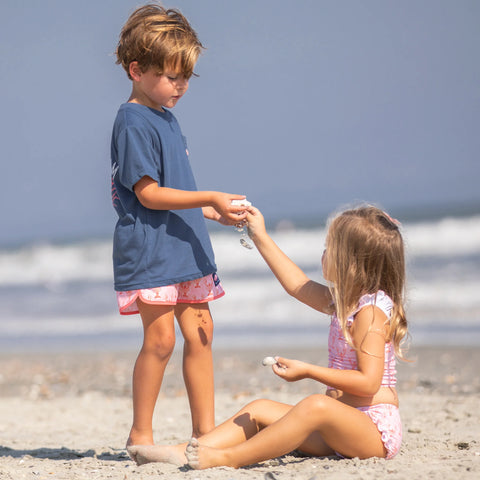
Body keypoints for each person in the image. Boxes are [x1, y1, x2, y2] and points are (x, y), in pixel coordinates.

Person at [127, 204, 410, 468]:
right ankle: (185, 450)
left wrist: (309, 371)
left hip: (373, 431)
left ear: (353, 263)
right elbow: (296, 284)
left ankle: (227, 457)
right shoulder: (344, 302)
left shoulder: (370, 313)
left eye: (330, 248)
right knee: (259, 409)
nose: (323, 253)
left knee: (315, 405)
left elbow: (369, 382)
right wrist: (258, 234)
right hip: (340, 427)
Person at [111, 4, 249, 450]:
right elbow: (148, 194)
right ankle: (141, 434)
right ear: (136, 69)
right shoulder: (132, 120)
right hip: (151, 250)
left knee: (202, 334)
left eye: (186, 77)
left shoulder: (167, 118)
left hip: (186, 247)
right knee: (161, 340)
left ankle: (204, 432)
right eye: (172, 77)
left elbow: (176, 190)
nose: (181, 86)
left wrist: (212, 212)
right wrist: (209, 195)